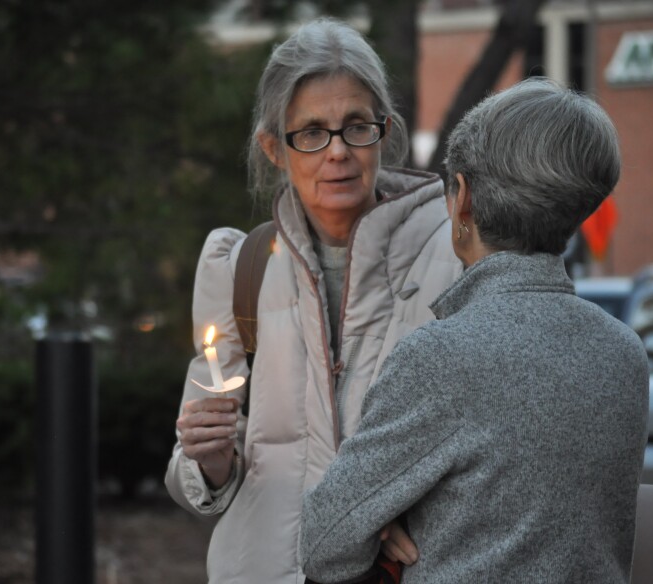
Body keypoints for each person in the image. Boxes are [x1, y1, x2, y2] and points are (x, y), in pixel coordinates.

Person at [299, 77, 650, 584]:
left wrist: (384, 519)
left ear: (461, 198)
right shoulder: (623, 353)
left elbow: (324, 543)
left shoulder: (441, 357)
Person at [164, 18, 462, 584]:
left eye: (356, 127)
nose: (338, 153)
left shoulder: (453, 256)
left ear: (385, 130)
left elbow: (487, 441)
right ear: (275, 148)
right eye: (312, 132)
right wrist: (208, 459)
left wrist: (382, 510)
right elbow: (194, 475)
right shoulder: (239, 268)